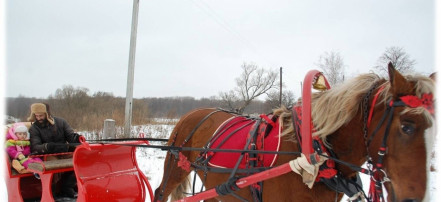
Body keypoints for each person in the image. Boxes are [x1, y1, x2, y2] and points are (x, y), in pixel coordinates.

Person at [28, 103, 84, 198]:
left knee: (79, 161)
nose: (38, 118)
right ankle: (51, 191)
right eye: (36, 116)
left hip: (64, 151)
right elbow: (35, 146)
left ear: (47, 114)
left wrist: (77, 138)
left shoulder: (61, 122)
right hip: (47, 154)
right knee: (53, 163)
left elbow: (71, 137)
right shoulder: (34, 129)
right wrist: (47, 147)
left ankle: (67, 187)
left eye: (41, 115)